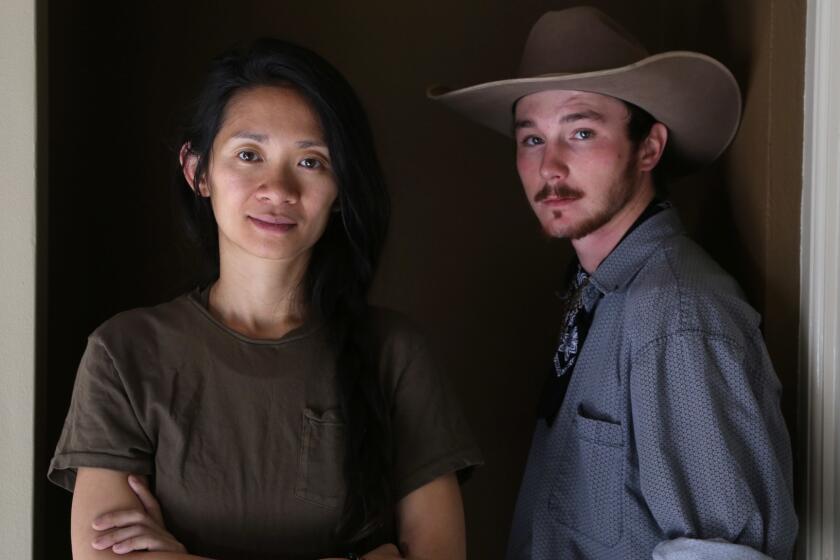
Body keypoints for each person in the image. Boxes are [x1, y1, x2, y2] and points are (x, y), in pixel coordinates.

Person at [49, 38, 482, 560]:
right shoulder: (124, 353)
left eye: (311, 162)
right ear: (198, 171)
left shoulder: (395, 353)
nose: (278, 189)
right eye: (249, 155)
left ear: (341, 187)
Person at [429, 7, 796, 559]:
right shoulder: (599, 292)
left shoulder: (676, 314)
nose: (550, 166)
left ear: (649, 148)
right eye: (531, 140)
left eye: (581, 132)